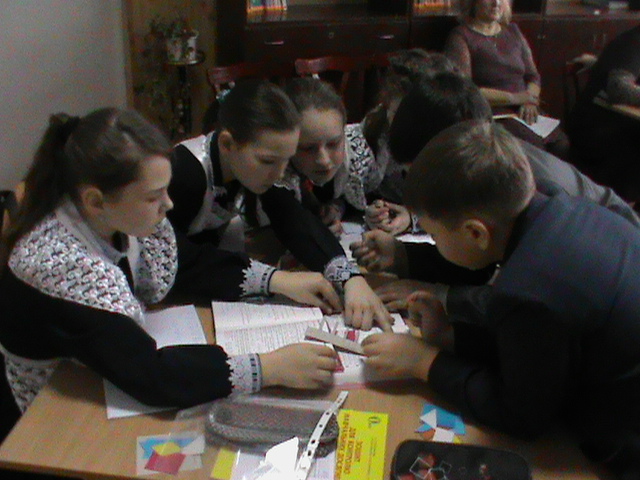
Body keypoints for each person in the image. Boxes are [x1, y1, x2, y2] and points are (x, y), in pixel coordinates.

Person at [0, 108, 339, 420]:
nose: (168, 204)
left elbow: (188, 263)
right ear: (95, 201)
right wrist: (268, 368)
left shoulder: (114, 216)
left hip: (87, 377)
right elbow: (149, 375)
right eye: (153, 196)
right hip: (42, 411)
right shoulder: (61, 265)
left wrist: (277, 280)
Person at [362, 120, 640, 480]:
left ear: (475, 233)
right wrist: (451, 337)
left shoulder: (527, 287)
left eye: (434, 235)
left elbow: (522, 416)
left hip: (620, 443)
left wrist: (423, 362)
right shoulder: (564, 208)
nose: (435, 244)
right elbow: (541, 349)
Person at [351, 72, 640, 309]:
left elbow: (516, 295)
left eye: (419, 171)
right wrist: (404, 255)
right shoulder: (495, 165)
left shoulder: (522, 185)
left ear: (457, 149)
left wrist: (440, 297)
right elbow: (483, 254)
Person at [169, 80, 391, 331]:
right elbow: (174, 259)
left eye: (287, 161)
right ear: (227, 144)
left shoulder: (247, 166)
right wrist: (276, 280)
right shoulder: (185, 173)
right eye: (268, 161)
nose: (279, 174)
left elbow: (292, 218)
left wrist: (350, 279)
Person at [443, 0, 569, 158]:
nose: (496, 3)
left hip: (524, 106)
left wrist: (529, 100)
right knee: (534, 147)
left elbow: (533, 76)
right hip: (492, 111)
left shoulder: (513, 31)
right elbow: (464, 90)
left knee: (561, 144)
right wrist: (515, 98)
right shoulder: (461, 36)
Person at [567, 25, 640, 204]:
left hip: (617, 124)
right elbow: (618, 88)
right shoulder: (634, 42)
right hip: (598, 130)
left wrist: (596, 62)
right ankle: (622, 211)